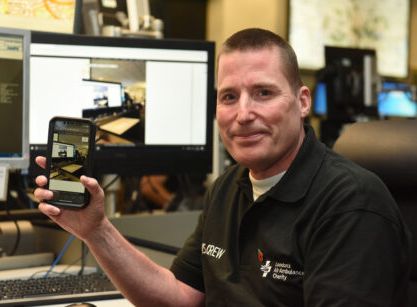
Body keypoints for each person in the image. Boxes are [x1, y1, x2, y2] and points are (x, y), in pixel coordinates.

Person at [35, 28, 412, 306]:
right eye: (229, 97)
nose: (243, 114)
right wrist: (96, 231)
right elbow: (181, 298)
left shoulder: (351, 203)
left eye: (263, 93)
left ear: (302, 102)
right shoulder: (228, 186)